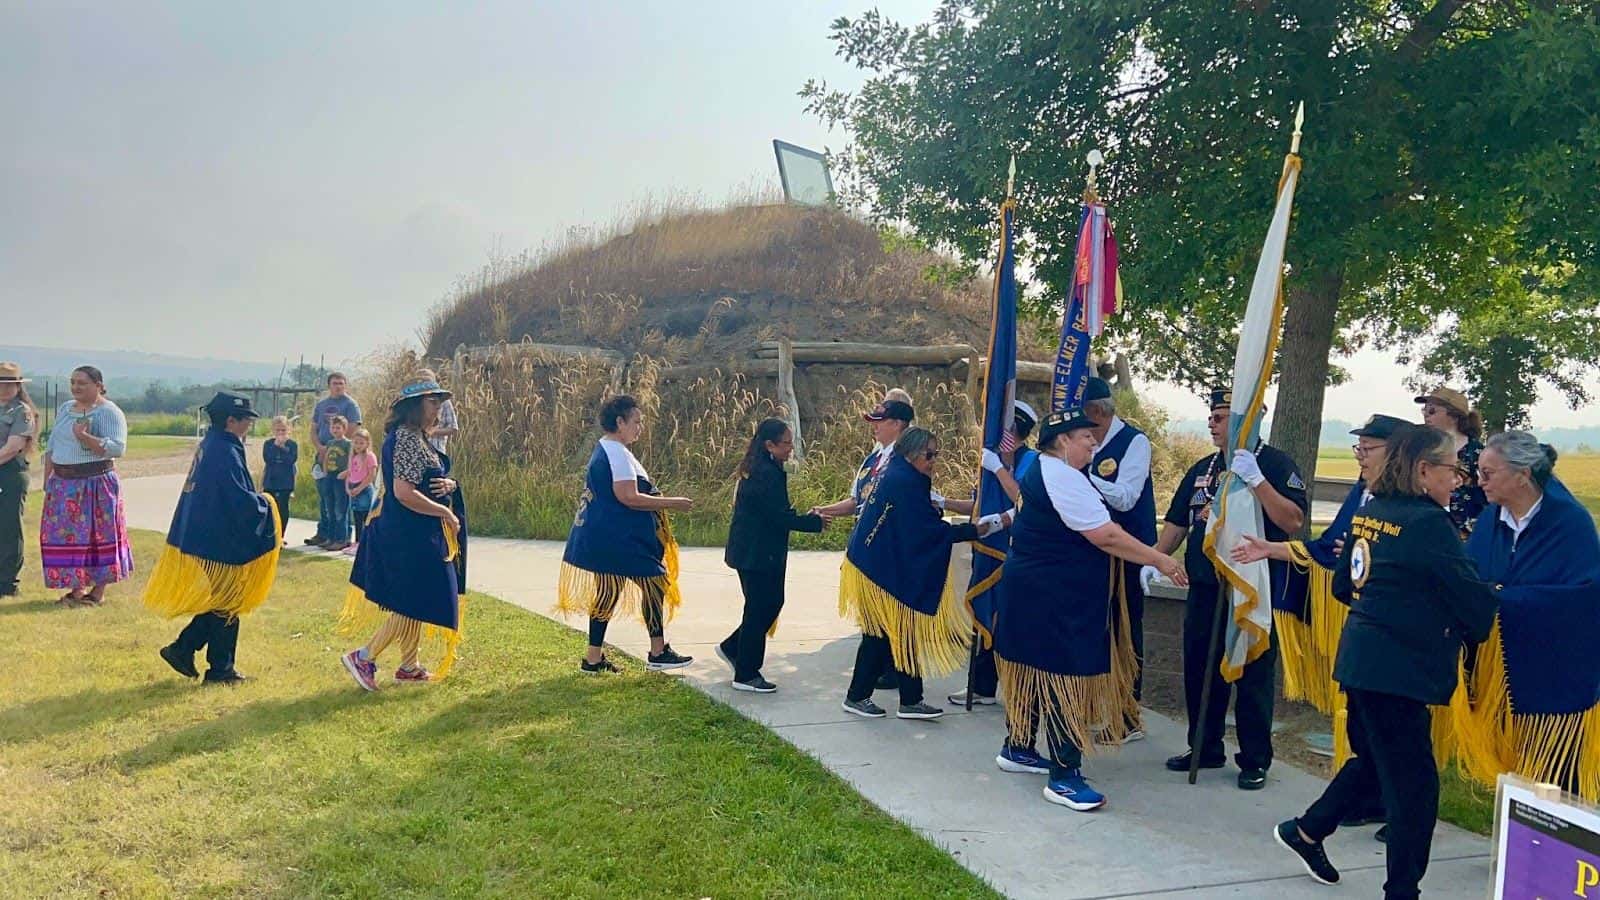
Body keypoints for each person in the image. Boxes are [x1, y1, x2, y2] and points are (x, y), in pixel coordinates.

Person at [1273, 425, 1497, 899]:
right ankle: (1401, 891)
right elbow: (1473, 605)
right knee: (1415, 790)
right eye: (1451, 470)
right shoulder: (1430, 523)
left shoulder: (1371, 512)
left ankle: (1307, 831)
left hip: (1363, 661)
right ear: (1422, 470)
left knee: (1375, 762)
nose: (1456, 481)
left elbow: (1342, 586)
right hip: (1399, 670)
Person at [992, 408, 1187, 811]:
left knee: (1032, 668)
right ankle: (1063, 777)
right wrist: (1159, 559)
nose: (1094, 444)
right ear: (1062, 440)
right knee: (1066, 677)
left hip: (1033, 593)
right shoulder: (1063, 477)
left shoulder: (1043, 469)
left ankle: (1018, 747)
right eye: (1086, 437)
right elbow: (1107, 536)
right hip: (1055, 599)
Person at [1144, 388, 1307, 790]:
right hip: (1204, 586)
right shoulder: (1203, 467)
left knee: (1252, 675)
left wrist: (1257, 481)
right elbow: (1179, 523)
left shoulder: (1274, 464)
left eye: (1222, 418)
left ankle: (1254, 759)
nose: (1213, 425)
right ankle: (1204, 746)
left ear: (1250, 420)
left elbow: (1293, 522)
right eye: (1213, 417)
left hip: (1253, 586)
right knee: (1200, 671)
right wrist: (1153, 559)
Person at [1452, 431, 1600, 802]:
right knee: (1512, 776)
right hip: (1500, 671)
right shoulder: (1490, 520)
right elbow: (1471, 577)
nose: (1479, 481)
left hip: (1555, 677)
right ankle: (1514, 851)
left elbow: (1583, 596)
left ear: (1522, 474)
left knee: (1554, 779)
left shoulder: (1569, 522)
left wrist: (1504, 598)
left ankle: (1558, 853)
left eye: (1489, 473)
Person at [839, 426, 1002, 721]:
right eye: (930, 455)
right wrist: (975, 531)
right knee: (882, 634)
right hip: (875, 568)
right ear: (912, 454)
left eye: (935, 454)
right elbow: (926, 531)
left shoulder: (902, 474)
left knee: (899, 633)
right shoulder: (906, 481)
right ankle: (860, 696)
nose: (934, 460)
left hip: (873, 563)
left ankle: (908, 700)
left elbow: (918, 521)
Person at [339, 374, 467, 689]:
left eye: (440, 401)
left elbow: (429, 478)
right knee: (414, 600)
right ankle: (364, 656)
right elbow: (404, 492)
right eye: (432, 401)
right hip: (408, 533)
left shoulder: (415, 436)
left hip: (414, 532)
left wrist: (450, 484)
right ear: (414, 406)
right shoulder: (408, 437)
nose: (438, 408)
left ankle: (410, 666)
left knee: (415, 596)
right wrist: (445, 511)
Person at [145, 393, 281, 685]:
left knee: (224, 600)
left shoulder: (215, 444)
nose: (249, 425)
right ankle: (219, 669)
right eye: (246, 420)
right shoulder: (224, 450)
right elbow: (237, 499)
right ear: (231, 421)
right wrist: (267, 505)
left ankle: (184, 649)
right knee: (228, 603)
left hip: (206, 536)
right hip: (215, 541)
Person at [556, 395, 694, 674]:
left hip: (608, 537)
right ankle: (658, 652)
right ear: (619, 422)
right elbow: (628, 497)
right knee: (655, 583)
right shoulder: (615, 452)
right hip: (619, 540)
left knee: (608, 593)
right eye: (636, 422)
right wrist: (673, 503)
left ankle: (593, 659)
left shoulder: (609, 448)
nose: (640, 428)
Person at [717, 418, 828, 692]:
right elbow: (778, 516)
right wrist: (813, 523)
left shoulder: (765, 467)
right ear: (769, 445)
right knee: (761, 607)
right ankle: (746, 674)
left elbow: (776, 512)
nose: (791, 448)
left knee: (768, 604)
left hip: (759, 550)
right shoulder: (764, 472)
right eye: (786, 443)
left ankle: (734, 647)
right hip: (756, 553)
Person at [1080, 377, 1157, 740]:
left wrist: (1082, 481)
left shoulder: (1135, 442)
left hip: (1128, 550)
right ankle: (1098, 705)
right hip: (1094, 551)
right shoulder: (1088, 444)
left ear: (1097, 412)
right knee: (1097, 629)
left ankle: (1127, 714)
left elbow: (1126, 497)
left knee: (1126, 630)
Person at [951, 398, 1039, 707]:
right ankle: (984, 685)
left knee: (1012, 621)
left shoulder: (1032, 461)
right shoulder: (991, 462)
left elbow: (1023, 499)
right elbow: (979, 504)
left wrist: (999, 468)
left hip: (1021, 552)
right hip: (992, 548)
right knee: (989, 613)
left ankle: (1015, 689)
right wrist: (945, 502)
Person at [40, 365, 132, 607]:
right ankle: (76, 589)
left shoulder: (109, 412)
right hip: (63, 483)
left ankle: (97, 592)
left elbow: (117, 448)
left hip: (94, 483)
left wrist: (85, 438)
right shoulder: (64, 409)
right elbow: (52, 445)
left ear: (99, 385)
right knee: (68, 536)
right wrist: (47, 479)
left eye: (82, 383)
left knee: (97, 536)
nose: (76, 387)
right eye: (73, 382)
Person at [1415, 387, 1485, 536]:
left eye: (1432, 411)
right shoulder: (1421, 450)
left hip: (1467, 536)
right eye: (1424, 410)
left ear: (1454, 416)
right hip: (1426, 529)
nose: (1426, 415)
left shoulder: (1479, 454)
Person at [307, 372, 361, 549]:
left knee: (340, 501)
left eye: (341, 383)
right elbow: (314, 429)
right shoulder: (322, 405)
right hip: (323, 454)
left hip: (341, 458)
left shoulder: (350, 405)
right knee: (325, 497)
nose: (338, 386)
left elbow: (353, 431)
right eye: (335, 383)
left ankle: (342, 537)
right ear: (329, 385)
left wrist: (346, 458)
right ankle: (324, 533)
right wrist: (321, 448)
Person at [0, 363, 38, 598]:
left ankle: (7, 582)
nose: (4, 389)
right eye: (0, 384)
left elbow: (12, 448)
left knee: (9, 526)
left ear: (18, 386)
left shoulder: (21, 412)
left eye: (9, 384)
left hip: (10, 472)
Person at [261, 415, 298, 548]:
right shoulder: (268, 444)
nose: (281, 433)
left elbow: (291, 460)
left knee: (283, 509)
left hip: (285, 482)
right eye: (278, 431)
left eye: (283, 430)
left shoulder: (292, 445)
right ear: (273, 431)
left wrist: (282, 447)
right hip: (271, 481)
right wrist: (276, 446)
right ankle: (269, 536)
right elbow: (268, 459)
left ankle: (281, 536)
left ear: (288, 430)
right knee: (269, 509)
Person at [319, 415, 353, 550]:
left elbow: (352, 460)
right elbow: (326, 457)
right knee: (330, 509)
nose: (335, 430)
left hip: (341, 478)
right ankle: (331, 538)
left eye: (338, 427)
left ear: (344, 429)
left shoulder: (348, 443)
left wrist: (346, 472)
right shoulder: (330, 443)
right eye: (333, 427)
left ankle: (342, 538)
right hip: (330, 477)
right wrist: (325, 471)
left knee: (341, 509)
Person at [344, 426, 379, 556]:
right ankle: (357, 542)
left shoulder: (370, 457)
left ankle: (366, 544)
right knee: (356, 517)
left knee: (365, 517)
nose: (358, 445)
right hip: (353, 488)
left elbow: (371, 475)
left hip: (363, 489)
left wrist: (359, 488)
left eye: (361, 443)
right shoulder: (353, 456)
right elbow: (350, 473)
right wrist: (348, 487)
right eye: (356, 442)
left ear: (367, 443)